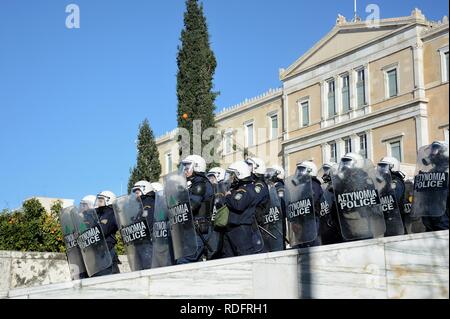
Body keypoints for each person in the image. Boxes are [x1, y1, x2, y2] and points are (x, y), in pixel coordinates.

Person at [177, 155, 215, 264]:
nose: (185, 170)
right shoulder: (192, 184)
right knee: (195, 263)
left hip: (199, 229)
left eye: (187, 166)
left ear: (197, 167)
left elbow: (191, 206)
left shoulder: (200, 184)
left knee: (183, 260)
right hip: (192, 229)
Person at [221, 161, 260, 257]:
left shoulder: (247, 189)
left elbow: (238, 204)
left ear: (240, 174)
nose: (230, 178)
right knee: (228, 258)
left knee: (244, 256)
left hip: (241, 229)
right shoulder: (238, 188)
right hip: (232, 228)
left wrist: (227, 197)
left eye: (232, 175)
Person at [418, 141, 449, 231]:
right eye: (432, 149)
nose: (432, 153)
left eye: (436, 149)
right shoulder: (431, 172)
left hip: (444, 223)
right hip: (430, 222)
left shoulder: (447, 171)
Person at [293, 160, 322, 248]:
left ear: (310, 171)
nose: (299, 173)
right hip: (304, 221)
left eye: (302, 170)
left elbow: (311, 200)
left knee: (311, 245)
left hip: (311, 220)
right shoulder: (304, 186)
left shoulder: (313, 184)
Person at [91, 191, 120, 277]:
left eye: (101, 200)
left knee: (108, 278)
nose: (98, 203)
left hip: (107, 251)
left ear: (108, 201)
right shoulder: (99, 214)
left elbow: (102, 230)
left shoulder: (111, 213)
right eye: (98, 200)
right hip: (99, 252)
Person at [246, 157, 270, 253]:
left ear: (256, 168)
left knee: (259, 250)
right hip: (253, 223)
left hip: (259, 225)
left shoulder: (259, 185)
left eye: (250, 166)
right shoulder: (253, 184)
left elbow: (252, 199)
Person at [130, 180, 156, 270]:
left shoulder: (148, 203)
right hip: (141, 242)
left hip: (147, 242)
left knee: (147, 269)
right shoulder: (141, 205)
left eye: (137, 192)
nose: (136, 195)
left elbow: (147, 221)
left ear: (144, 190)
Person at [318, 162, 343, 245]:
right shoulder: (326, 187)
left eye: (327, 170)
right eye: (324, 170)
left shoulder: (336, 186)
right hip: (326, 225)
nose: (325, 173)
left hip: (336, 226)